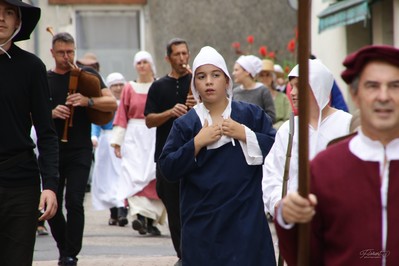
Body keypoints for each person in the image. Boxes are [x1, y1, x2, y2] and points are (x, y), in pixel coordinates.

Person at [275, 45, 399, 265]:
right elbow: (306, 255)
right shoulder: (324, 168)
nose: (384, 96)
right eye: (372, 86)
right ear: (355, 94)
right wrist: (288, 217)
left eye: (394, 86)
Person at [159, 46, 277, 265]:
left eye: (216, 75)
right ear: (195, 84)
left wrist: (244, 133)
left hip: (245, 218)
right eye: (202, 77)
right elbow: (167, 168)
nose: (209, 82)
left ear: (227, 81)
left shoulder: (250, 115)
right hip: (202, 222)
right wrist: (197, 142)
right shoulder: (186, 124)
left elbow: (276, 150)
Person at [47, 32, 117, 266]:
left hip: (80, 148)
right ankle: (63, 246)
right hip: (52, 149)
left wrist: (87, 101)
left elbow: (111, 103)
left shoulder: (87, 76)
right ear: (52, 53)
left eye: (70, 52)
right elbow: (27, 112)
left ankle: (71, 255)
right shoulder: (43, 78)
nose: (66, 57)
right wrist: (51, 113)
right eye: (61, 53)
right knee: (52, 202)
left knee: (74, 201)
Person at [0, 0, 59, 265]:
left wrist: (49, 185)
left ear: (18, 21)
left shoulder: (32, 67)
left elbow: (46, 132)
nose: (1, 18)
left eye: (9, 12)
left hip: (20, 182)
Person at [262, 59, 352, 218]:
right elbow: (272, 174)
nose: (292, 93)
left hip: (340, 218)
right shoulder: (288, 129)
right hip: (297, 221)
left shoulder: (346, 124)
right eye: (292, 86)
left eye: (299, 86)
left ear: (318, 86)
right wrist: (281, 205)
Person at [144, 38, 196, 265]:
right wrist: (170, 113)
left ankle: (194, 255)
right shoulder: (158, 86)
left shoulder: (198, 82)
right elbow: (148, 120)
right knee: (174, 212)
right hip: (166, 157)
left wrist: (197, 106)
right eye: (177, 54)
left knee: (194, 209)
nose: (183, 59)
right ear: (168, 58)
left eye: (185, 54)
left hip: (195, 155)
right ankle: (183, 255)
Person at [111, 51, 166, 236]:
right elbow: (122, 115)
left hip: (154, 134)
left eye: (145, 62)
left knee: (154, 175)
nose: (142, 65)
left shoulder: (159, 86)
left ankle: (150, 221)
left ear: (151, 64)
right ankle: (140, 217)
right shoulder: (129, 88)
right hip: (134, 137)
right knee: (132, 174)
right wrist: (117, 142)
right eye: (138, 62)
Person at [91, 72, 128, 227]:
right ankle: (114, 212)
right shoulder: (105, 104)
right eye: (114, 85)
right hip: (106, 144)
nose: (118, 88)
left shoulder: (127, 103)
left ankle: (122, 211)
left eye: (121, 85)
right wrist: (94, 136)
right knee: (108, 179)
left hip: (124, 142)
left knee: (122, 176)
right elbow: (97, 122)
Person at [232, 54, 276, 122]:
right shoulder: (235, 92)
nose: (233, 73)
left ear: (247, 72)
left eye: (236, 70)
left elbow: (271, 117)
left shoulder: (263, 91)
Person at [258, 59, 292, 129]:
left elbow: (288, 119)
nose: (265, 78)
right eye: (262, 75)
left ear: (273, 77)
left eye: (268, 75)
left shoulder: (283, 97)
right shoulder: (255, 97)